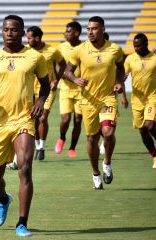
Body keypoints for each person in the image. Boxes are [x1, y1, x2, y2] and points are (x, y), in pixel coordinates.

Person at [0, 15, 50, 236]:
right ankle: (3, 199)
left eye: (14, 30)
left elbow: (46, 86)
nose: (9, 33)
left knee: (25, 167)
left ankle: (22, 223)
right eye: (6, 29)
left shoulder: (35, 57)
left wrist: (40, 102)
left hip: (23, 119)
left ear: (22, 32)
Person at [65, 16, 125, 189]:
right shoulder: (80, 50)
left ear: (103, 29)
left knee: (108, 132)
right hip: (88, 100)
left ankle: (106, 162)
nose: (91, 32)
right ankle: (95, 173)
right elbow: (67, 71)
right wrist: (75, 79)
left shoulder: (115, 49)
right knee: (91, 139)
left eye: (95, 28)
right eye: (89, 29)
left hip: (107, 98)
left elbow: (121, 68)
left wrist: (119, 82)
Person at [26, 26, 66, 160]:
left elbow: (63, 63)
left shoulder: (52, 51)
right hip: (30, 90)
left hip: (47, 89)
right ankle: (37, 145)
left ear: (37, 38)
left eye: (30, 38)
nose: (28, 40)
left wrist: (56, 80)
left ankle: (42, 147)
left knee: (43, 117)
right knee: (34, 118)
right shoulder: (26, 51)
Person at [124, 33, 156, 168]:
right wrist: (122, 94)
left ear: (146, 44)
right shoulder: (130, 59)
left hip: (152, 98)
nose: (136, 49)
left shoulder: (154, 58)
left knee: (150, 125)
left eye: (138, 46)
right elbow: (122, 76)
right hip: (136, 100)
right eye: (134, 46)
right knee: (142, 130)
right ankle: (154, 155)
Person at [54, 21, 83, 158]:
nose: (65, 34)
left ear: (76, 33)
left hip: (81, 90)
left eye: (68, 31)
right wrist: (59, 76)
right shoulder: (61, 47)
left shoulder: (85, 47)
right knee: (65, 119)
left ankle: (72, 147)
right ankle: (62, 138)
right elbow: (57, 64)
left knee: (77, 119)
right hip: (65, 88)